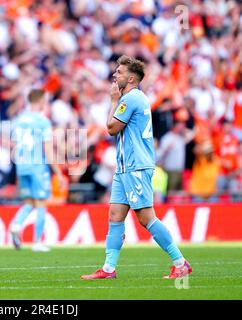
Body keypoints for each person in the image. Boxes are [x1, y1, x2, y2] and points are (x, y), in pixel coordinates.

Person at [81, 56, 192, 280]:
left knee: (145, 218)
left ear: (131, 78)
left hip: (136, 166)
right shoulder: (134, 98)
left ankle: (180, 263)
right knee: (115, 215)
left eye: (119, 72)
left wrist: (113, 100)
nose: (115, 75)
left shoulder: (130, 98)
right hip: (125, 167)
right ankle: (109, 269)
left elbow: (111, 128)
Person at [9, 89, 64, 252]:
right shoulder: (42, 121)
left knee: (29, 202)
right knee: (40, 203)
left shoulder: (19, 119)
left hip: (22, 165)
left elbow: (14, 143)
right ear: (40, 101)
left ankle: (16, 224)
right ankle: (37, 242)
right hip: (37, 166)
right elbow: (47, 148)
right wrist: (59, 173)